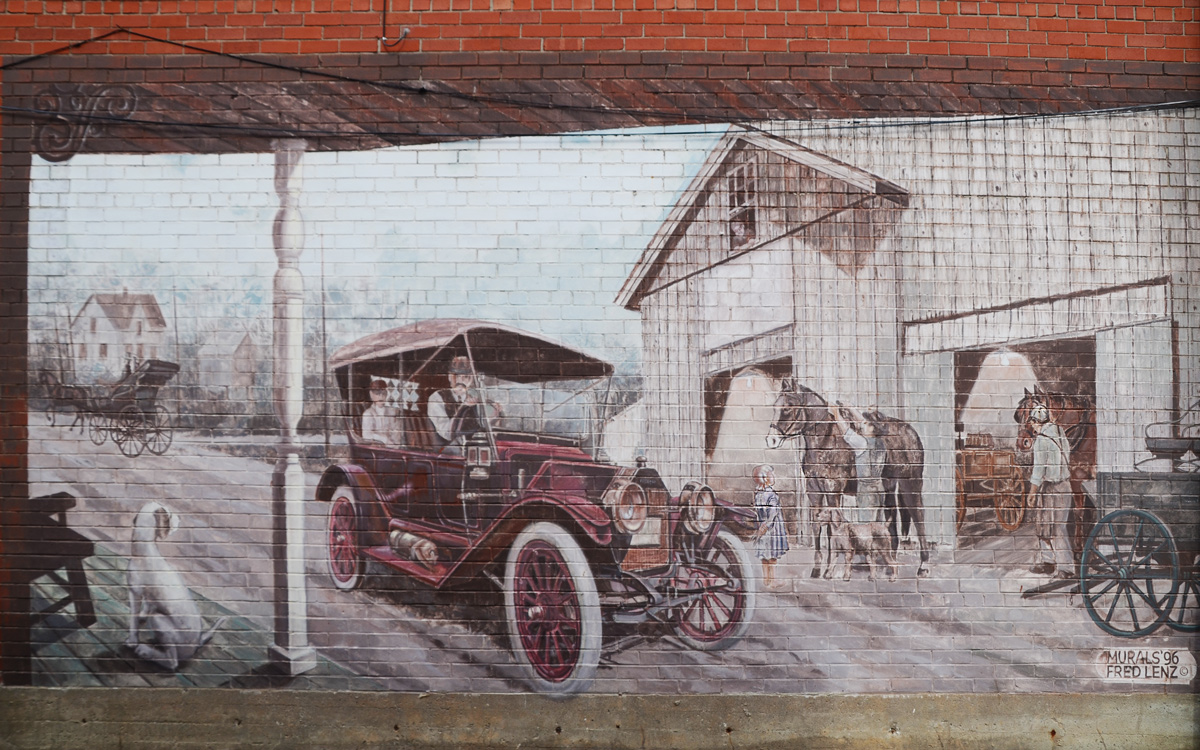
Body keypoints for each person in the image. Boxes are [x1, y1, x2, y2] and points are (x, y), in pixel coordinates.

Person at [1027, 403, 1072, 577]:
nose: (1032, 427)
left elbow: (1038, 469)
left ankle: (1066, 568)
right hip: (1065, 485)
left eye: (1032, 423)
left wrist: (1032, 492)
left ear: (1036, 422)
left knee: (1054, 528)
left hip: (1051, 487)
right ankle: (1048, 562)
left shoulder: (1042, 440)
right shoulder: (1060, 432)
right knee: (1049, 525)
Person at [830, 401, 885, 525]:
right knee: (878, 525)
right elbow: (862, 421)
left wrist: (836, 412)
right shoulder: (880, 443)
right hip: (879, 488)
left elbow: (845, 431)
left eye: (866, 424)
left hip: (866, 491)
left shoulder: (862, 443)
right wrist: (850, 408)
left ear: (872, 428)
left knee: (866, 525)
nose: (862, 425)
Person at [427, 356, 498, 451]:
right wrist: (464, 407)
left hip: (471, 448)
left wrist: (494, 414)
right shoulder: (437, 397)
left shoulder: (474, 397)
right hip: (445, 451)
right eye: (456, 376)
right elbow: (447, 434)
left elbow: (483, 425)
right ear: (449, 377)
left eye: (466, 377)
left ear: (471, 379)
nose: (460, 381)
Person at [751, 464, 789, 590]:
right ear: (765, 478)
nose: (774, 476)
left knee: (764, 555)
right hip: (772, 529)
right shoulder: (771, 495)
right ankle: (773, 581)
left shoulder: (758, 494)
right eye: (771, 474)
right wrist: (767, 526)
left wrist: (761, 527)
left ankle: (766, 579)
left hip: (762, 526)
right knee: (772, 556)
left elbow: (758, 512)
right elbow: (772, 514)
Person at [361, 379, 403, 445]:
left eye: (383, 393)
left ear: (386, 394)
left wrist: (393, 444)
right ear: (371, 394)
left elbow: (397, 433)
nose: (381, 396)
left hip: (392, 447)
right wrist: (384, 439)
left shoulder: (392, 412)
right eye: (377, 393)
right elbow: (366, 435)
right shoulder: (368, 414)